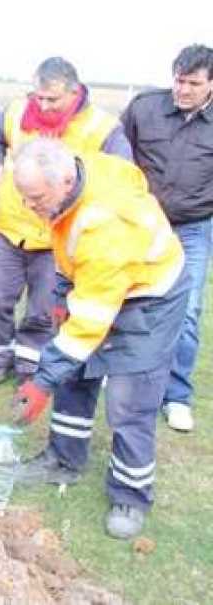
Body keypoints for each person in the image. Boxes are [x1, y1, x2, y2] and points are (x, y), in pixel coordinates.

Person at [10, 139, 188, 541]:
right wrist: (61, 299)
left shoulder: (105, 223)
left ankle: (131, 493)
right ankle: (63, 459)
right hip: (97, 278)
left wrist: (41, 382)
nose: (29, 207)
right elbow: (71, 255)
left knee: (130, 398)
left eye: (35, 198)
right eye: (24, 197)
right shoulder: (75, 178)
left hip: (150, 296)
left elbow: (91, 321)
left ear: (65, 180)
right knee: (75, 375)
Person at [0, 57, 131, 386]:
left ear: (74, 93)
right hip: (10, 229)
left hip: (58, 237)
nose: (43, 105)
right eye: (38, 97)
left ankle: (30, 363)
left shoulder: (101, 127)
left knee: (44, 309)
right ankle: (0, 357)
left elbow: (122, 176)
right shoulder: (16, 111)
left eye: (52, 99)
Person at [122, 44, 213, 433]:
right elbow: (116, 158)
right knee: (129, 299)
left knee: (186, 311)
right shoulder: (145, 109)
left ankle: (176, 396)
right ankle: (124, 374)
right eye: (179, 80)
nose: (184, 89)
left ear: (210, 83)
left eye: (193, 83)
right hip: (141, 225)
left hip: (193, 228)